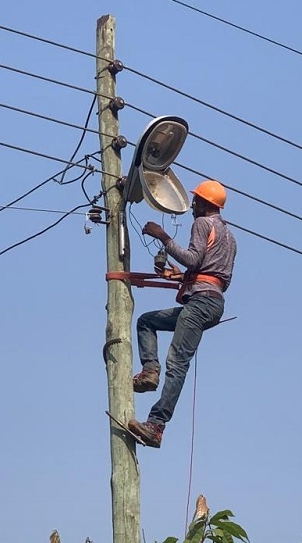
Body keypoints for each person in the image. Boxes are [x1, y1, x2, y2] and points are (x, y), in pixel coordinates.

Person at [128, 180, 237, 448]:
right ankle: (150, 371)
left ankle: (156, 424)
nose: (193, 205)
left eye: (197, 200)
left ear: (207, 204)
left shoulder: (203, 224)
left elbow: (192, 259)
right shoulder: (229, 236)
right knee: (147, 321)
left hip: (200, 304)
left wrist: (162, 236)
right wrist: (185, 277)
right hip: (211, 302)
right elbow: (214, 274)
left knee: (177, 363)